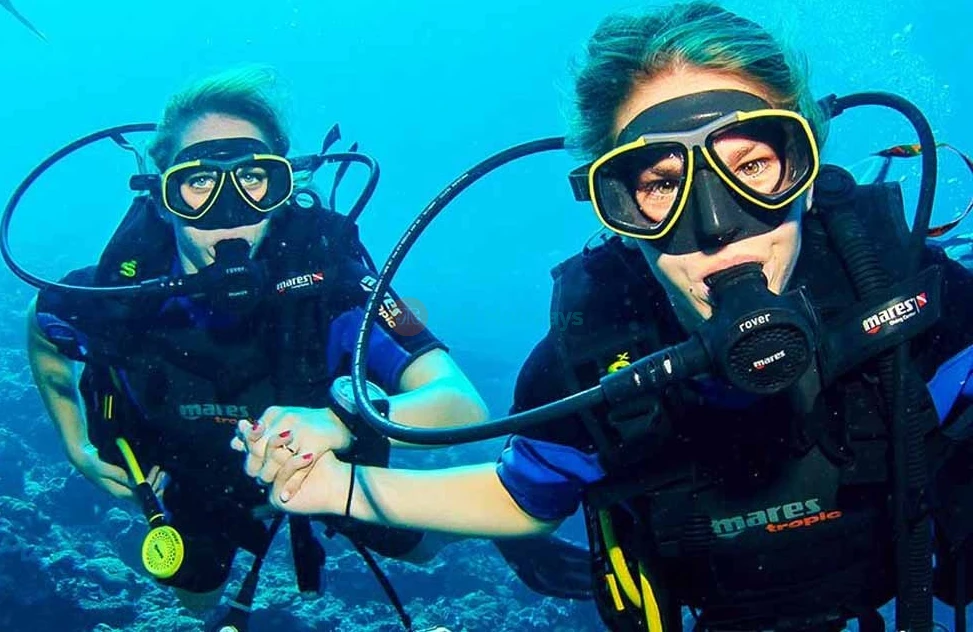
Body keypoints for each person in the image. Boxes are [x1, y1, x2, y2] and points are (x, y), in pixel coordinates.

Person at [236, 3, 973, 631]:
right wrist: (333, 489)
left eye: (750, 166)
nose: (717, 226)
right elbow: (526, 494)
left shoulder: (914, 299)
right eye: (661, 183)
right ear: (616, 211)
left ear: (804, 175)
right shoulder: (592, 354)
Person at [24, 65, 496, 627]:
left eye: (252, 177)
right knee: (194, 594)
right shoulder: (120, 292)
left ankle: (514, 537)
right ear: (163, 194)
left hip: (326, 465)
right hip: (194, 474)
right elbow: (43, 326)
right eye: (198, 182)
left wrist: (342, 424)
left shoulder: (332, 287)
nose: (228, 214)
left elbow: (461, 405)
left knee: (420, 549)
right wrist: (77, 446)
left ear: (283, 187)